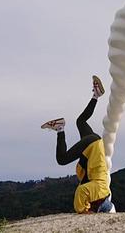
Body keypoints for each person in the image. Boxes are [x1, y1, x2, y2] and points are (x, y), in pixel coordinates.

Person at [41, 75, 115, 214]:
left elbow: (84, 189)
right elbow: (82, 192)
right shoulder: (100, 190)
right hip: (92, 145)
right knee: (62, 159)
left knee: (81, 121)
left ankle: (96, 95)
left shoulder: (98, 188)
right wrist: (83, 210)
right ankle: (60, 129)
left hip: (95, 144)